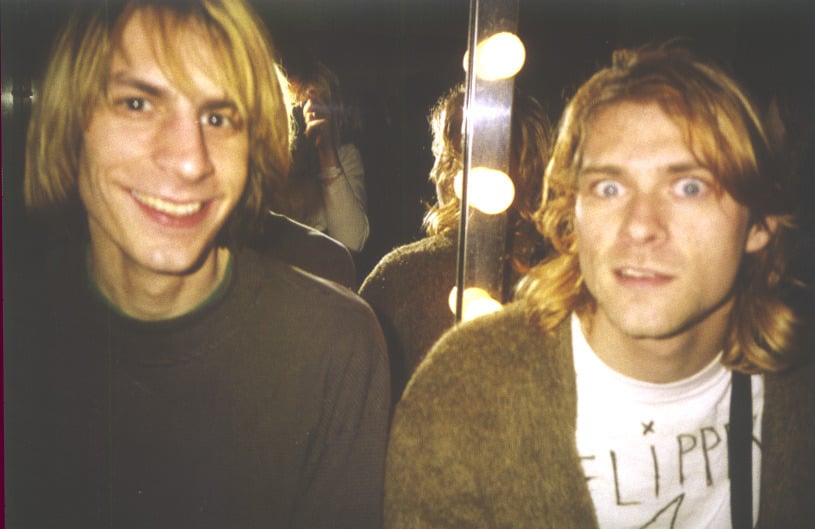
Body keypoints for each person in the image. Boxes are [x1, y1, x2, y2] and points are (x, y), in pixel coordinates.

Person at [385, 45, 814, 528]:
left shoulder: (799, 392)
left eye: (689, 186)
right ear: (574, 216)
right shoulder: (465, 396)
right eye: (609, 188)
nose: (640, 226)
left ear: (761, 222)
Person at [4, 1, 390, 528]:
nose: (190, 159)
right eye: (138, 103)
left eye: (218, 116)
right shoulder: (19, 332)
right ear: (71, 125)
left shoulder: (333, 346)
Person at [359, 84, 553, 403]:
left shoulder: (402, 279)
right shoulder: (567, 280)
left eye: (439, 154)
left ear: (453, 167)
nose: (433, 172)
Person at [283, 58, 370, 252]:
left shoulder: (345, 156)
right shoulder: (268, 161)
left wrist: (326, 150)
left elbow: (352, 241)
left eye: (322, 103)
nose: (311, 112)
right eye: (301, 103)